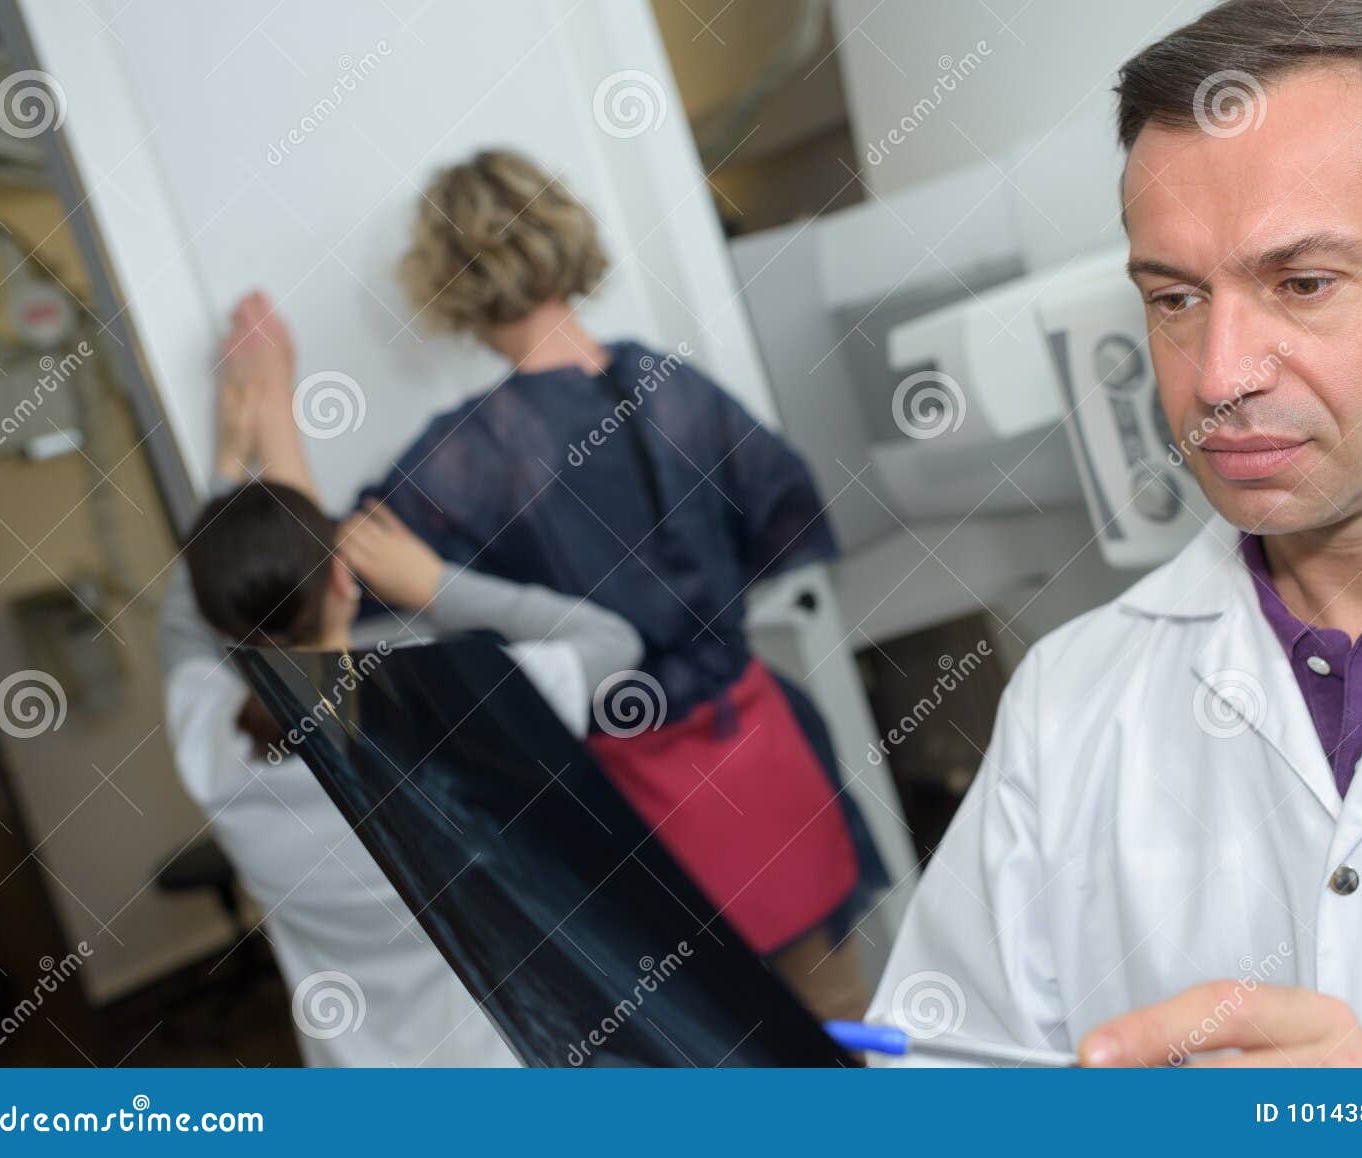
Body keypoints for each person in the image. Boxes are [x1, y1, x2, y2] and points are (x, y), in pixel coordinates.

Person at [870, 0, 1362, 1067]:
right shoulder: (1071, 702)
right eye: (1174, 298)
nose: (1216, 377)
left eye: (1301, 284)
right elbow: (938, 1077)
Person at [236, 149, 886, 1020]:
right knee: (845, 1030)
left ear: (450, 278)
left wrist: (270, 414)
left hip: (638, 816)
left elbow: (320, 588)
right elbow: (786, 521)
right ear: (562, 238)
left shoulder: (470, 459)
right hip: (769, 766)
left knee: (709, 1061)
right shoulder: (675, 387)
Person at [160, 298, 642, 1065]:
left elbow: (187, 625)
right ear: (347, 583)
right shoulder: (458, 719)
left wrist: (237, 447)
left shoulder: (213, 748)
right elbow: (610, 641)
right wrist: (433, 583)